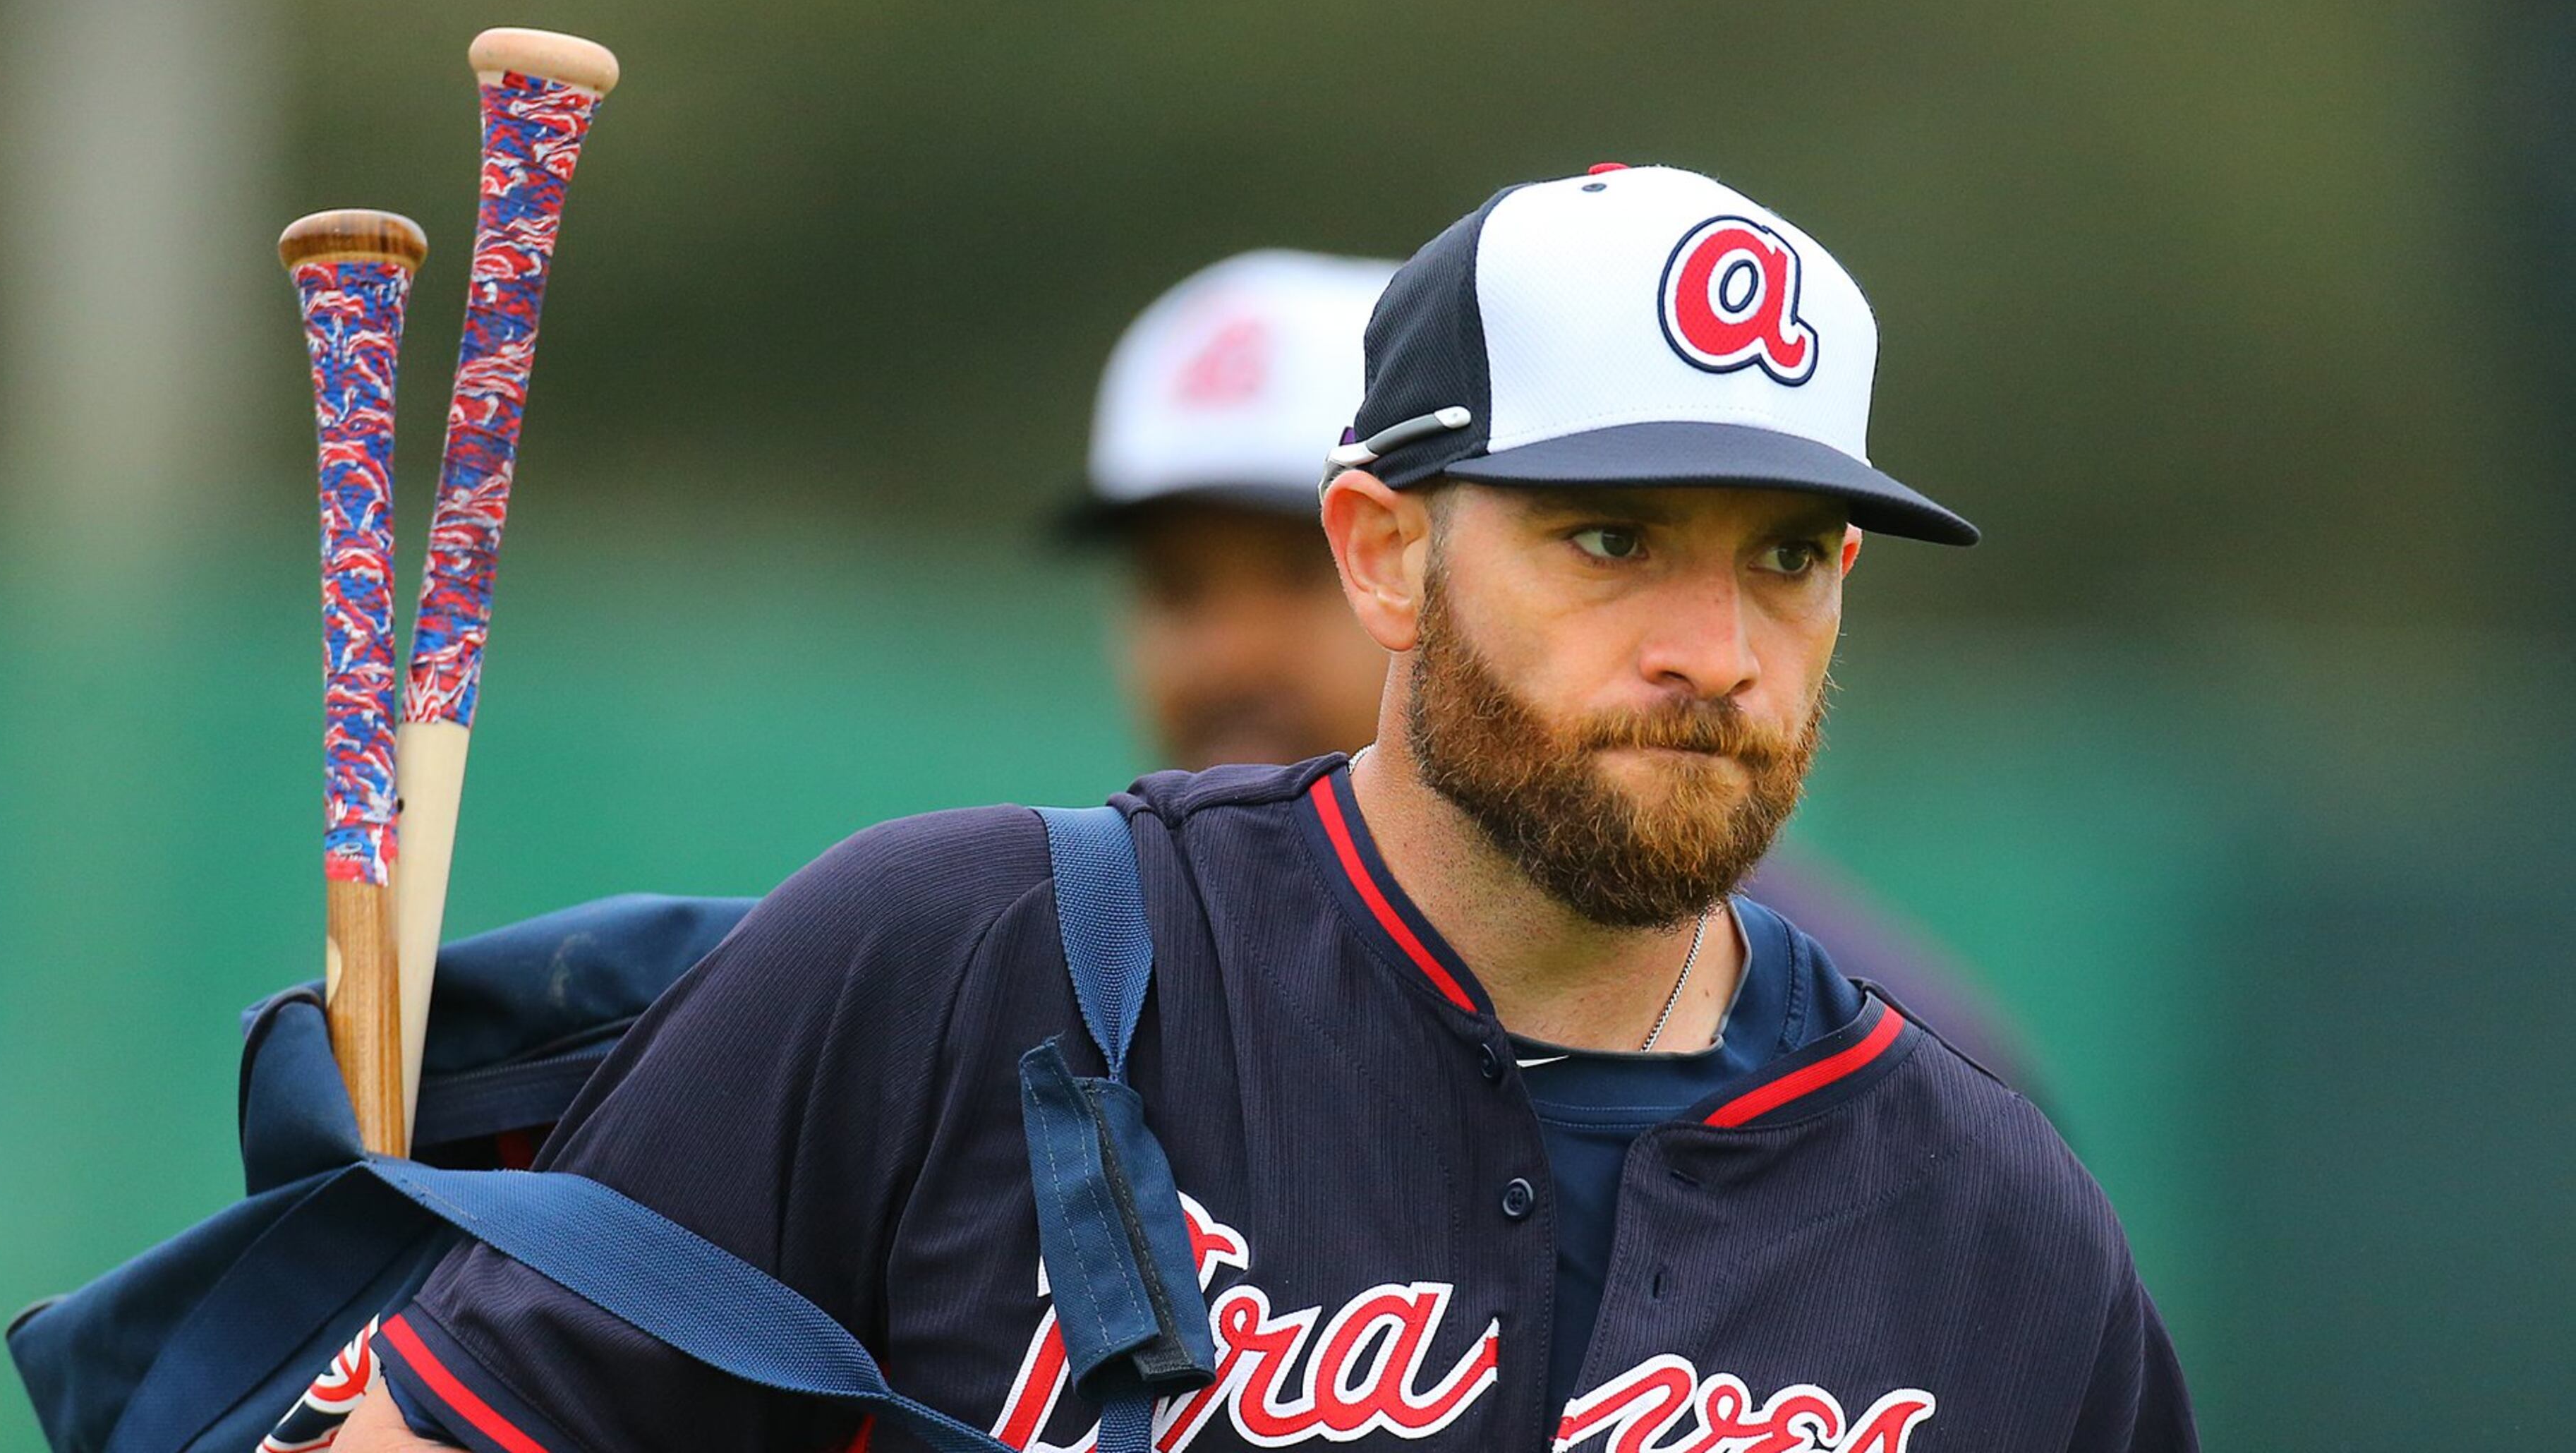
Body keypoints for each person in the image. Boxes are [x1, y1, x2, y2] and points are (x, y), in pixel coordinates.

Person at [340, 164, 2194, 1451]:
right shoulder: (950, 967)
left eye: (1785, 556)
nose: (1713, 648)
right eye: (1612, 539)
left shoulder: (1997, 1225)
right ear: (1388, 554)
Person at [1063, 247, 2035, 1089]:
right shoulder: (1060, 969)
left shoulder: (1881, 1061)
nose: (1234, 654)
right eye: (1178, 588)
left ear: (1398, 559)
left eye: (1296, 573)